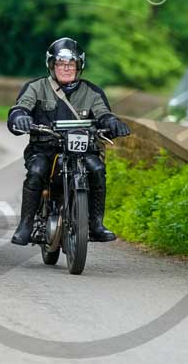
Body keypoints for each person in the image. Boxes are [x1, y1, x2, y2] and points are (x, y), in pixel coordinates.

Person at [7, 37, 130, 246]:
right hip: (45, 148)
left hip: (82, 151)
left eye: (71, 64)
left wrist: (112, 122)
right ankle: (26, 224)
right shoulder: (36, 87)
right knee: (37, 171)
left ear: (79, 66)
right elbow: (21, 107)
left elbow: (103, 113)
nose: (66, 68)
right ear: (52, 65)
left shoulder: (92, 92)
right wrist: (20, 117)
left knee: (97, 169)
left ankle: (95, 224)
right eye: (61, 64)